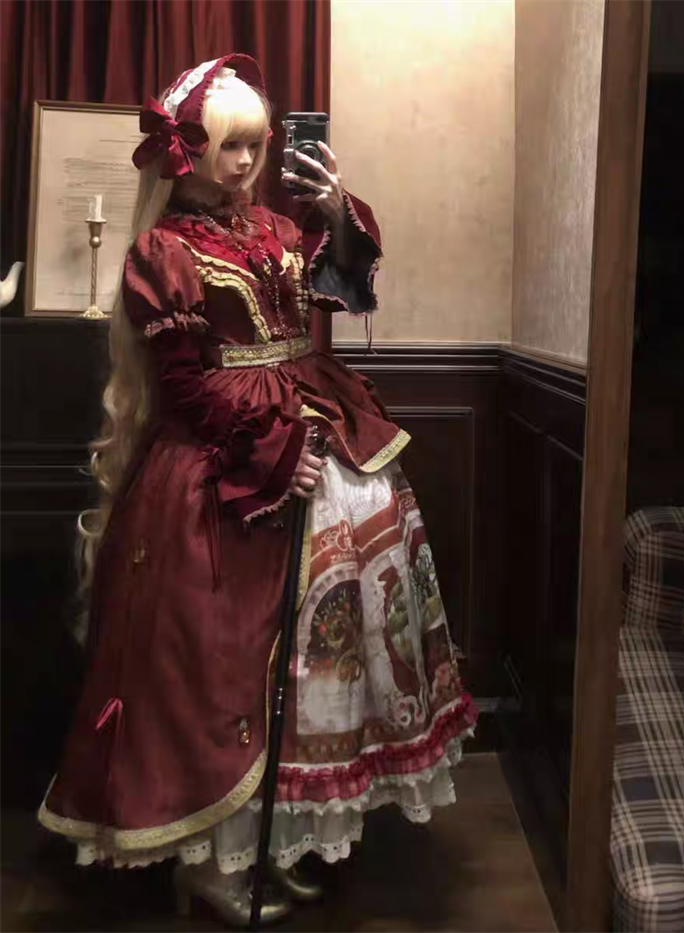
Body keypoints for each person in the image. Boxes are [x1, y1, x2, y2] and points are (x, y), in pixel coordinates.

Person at [38, 53, 477, 927]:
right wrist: (273, 452)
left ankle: (276, 837)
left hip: (314, 417)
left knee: (309, 667)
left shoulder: (277, 227)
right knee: (217, 661)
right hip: (222, 464)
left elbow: (340, 290)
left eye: (256, 146)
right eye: (228, 147)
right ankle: (209, 861)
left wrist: (335, 212)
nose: (245, 163)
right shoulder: (163, 252)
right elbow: (189, 387)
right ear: (188, 152)